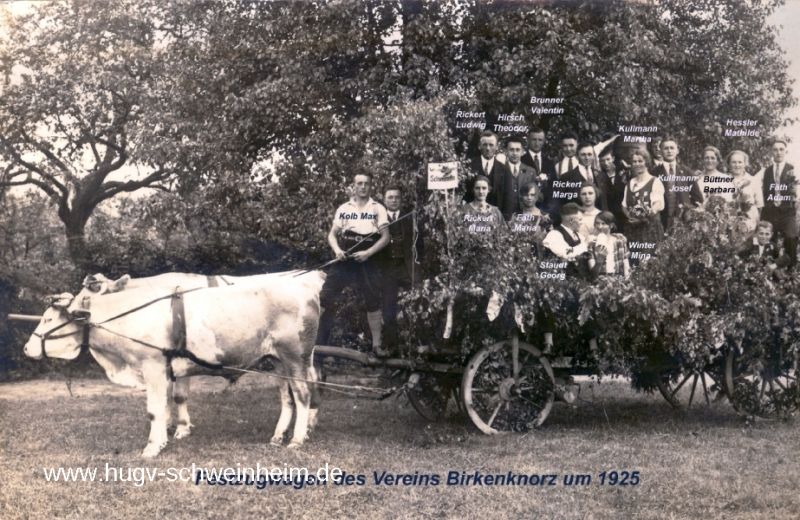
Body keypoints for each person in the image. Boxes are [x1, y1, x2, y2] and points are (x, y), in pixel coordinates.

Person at [316, 172, 390, 356]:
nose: (363, 187)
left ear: (371, 186)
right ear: (353, 186)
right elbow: (332, 235)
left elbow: (386, 237)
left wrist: (368, 253)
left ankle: (376, 346)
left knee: (373, 298)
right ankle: (315, 343)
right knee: (325, 296)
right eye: (359, 183)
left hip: (369, 253)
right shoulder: (344, 208)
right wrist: (337, 251)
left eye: (366, 184)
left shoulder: (377, 208)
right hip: (347, 252)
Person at [378, 186, 423, 353]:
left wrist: (417, 263)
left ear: (401, 200)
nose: (394, 200)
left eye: (397, 197)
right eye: (390, 197)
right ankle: (392, 348)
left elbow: (420, 244)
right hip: (388, 268)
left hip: (407, 267)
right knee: (389, 308)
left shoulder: (410, 217)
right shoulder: (378, 218)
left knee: (419, 301)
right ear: (384, 200)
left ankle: (419, 345)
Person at [621, 148, 665, 263]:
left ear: (646, 161)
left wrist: (644, 217)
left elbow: (657, 204)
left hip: (649, 229)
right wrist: (629, 216)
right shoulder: (630, 183)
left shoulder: (654, 181)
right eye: (634, 162)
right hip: (633, 230)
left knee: (649, 263)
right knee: (633, 262)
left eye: (640, 161)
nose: (637, 164)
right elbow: (624, 205)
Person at [758, 140, 796, 269]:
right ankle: (769, 271)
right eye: (775, 149)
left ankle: (792, 271)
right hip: (770, 211)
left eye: (781, 149)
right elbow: (752, 183)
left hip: (787, 211)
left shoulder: (794, 170)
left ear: (786, 151)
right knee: (769, 240)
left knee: (791, 237)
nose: (778, 152)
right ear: (771, 152)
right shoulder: (765, 171)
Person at [651, 137, 703, 230]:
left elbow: (697, 198)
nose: (669, 151)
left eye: (672, 148)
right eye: (666, 148)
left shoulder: (686, 171)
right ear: (661, 151)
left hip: (683, 223)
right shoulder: (654, 173)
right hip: (662, 221)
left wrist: (690, 215)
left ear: (677, 150)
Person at [494, 135, 537, 220]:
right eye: (511, 150)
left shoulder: (530, 171)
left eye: (517, 150)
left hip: (525, 216)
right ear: (506, 151)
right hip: (504, 216)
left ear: (522, 152)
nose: (514, 153)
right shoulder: (499, 170)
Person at [558, 142, 607, 211]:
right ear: (577, 157)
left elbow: (607, 201)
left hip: (600, 219)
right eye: (583, 155)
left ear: (593, 156)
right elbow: (561, 203)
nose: (587, 158)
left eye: (589, 154)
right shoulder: (566, 178)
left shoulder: (602, 176)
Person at [468, 130, 511, 205]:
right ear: (479, 146)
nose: (488, 148)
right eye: (484, 145)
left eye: (491, 145)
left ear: (497, 146)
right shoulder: (469, 166)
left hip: (496, 214)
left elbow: (508, 198)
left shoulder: (505, 169)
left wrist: (504, 217)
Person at [510, 181, 550, 255]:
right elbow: (511, 239)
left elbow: (550, 241)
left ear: (537, 196)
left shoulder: (544, 217)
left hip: (539, 257)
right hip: (520, 256)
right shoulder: (515, 216)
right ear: (521, 196)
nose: (529, 198)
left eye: (532, 195)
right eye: (526, 195)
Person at [727, 150, 762, 233]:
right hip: (729, 225)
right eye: (734, 162)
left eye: (740, 162)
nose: (737, 165)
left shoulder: (753, 181)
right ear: (729, 164)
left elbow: (759, 205)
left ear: (745, 164)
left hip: (749, 225)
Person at [588, 212, 630, 278]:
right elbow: (593, 274)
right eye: (597, 223)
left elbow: (626, 267)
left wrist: (627, 283)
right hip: (601, 282)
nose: (600, 227)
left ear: (611, 225)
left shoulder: (620, 242)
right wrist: (599, 261)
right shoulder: (592, 244)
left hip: (619, 281)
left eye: (603, 223)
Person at [521, 127, 557, 201]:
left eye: (540, 140)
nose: (537, 143)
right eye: (534, 139)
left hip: (546, 204)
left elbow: (553, 185)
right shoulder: (521, 160)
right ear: (528, 140)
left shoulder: (549, 162)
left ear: (544, 141)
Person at [596, 147, 628, 228]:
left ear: (613, 158)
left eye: (608, 159)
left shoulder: (624, 171)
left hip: (624, 213)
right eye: (602, 160)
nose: (606, 163)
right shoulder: (599, 176)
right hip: (609, 214)